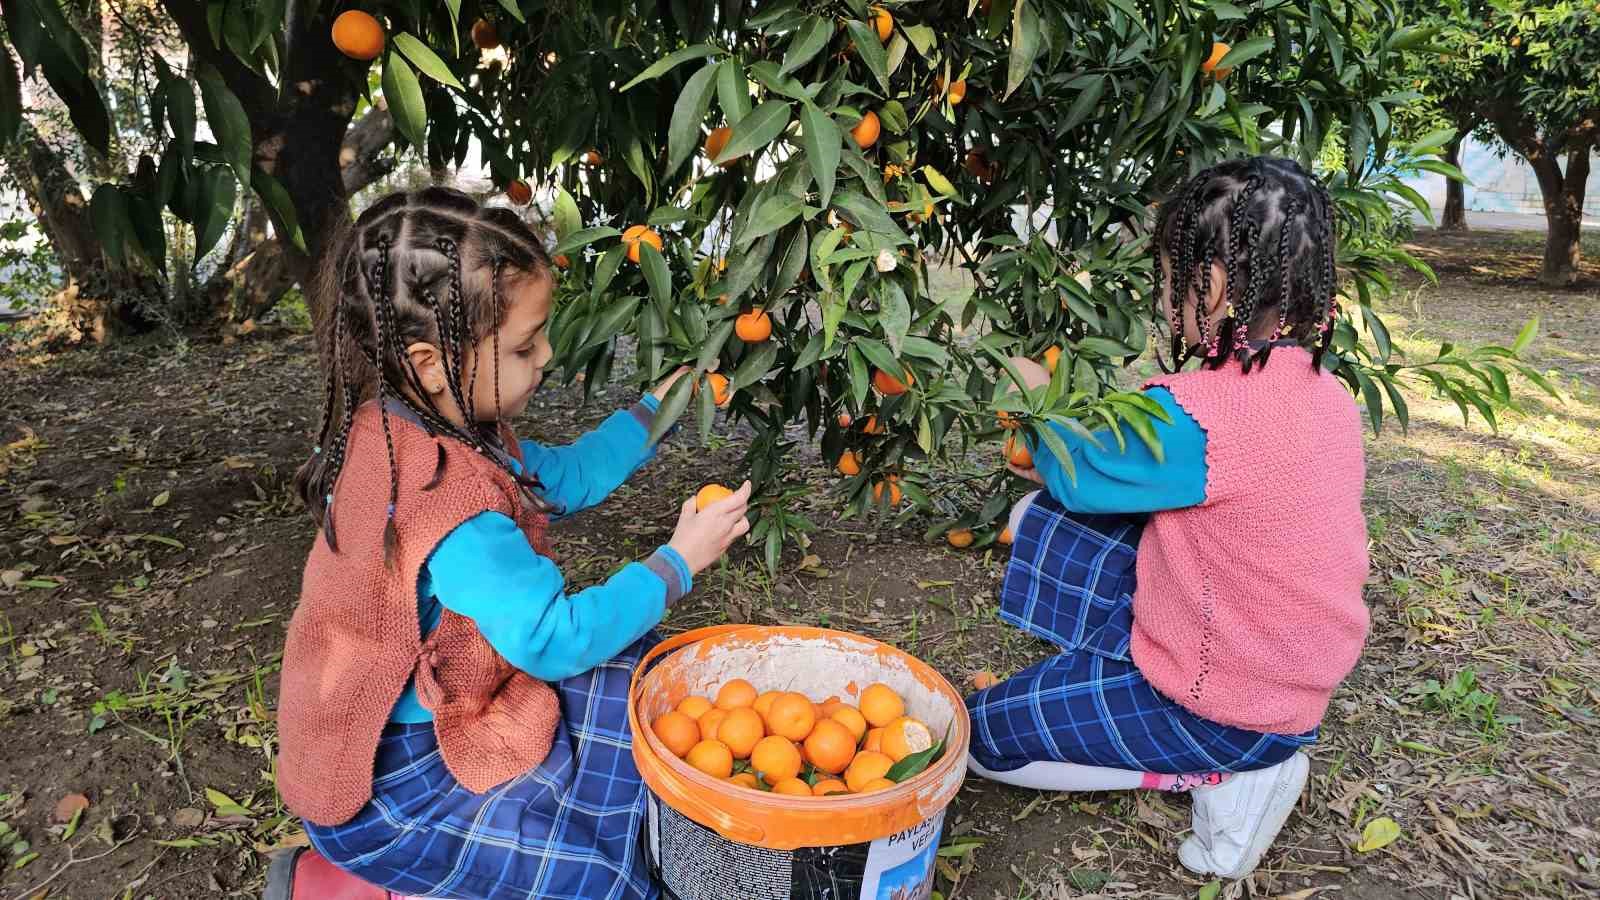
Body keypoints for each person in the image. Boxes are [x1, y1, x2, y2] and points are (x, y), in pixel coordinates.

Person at [268, 187, 750, 899]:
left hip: (386, 728)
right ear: (432, 362)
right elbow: (551, 639)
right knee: (595, 882)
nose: (548, 357)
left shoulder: (410, 426)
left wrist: (659, 409)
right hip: (389, 786)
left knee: (633, 678)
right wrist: (676, 562)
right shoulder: (449, 507)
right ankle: (345, 882)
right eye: (526, 346)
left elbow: (567, 476)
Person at [966, 156, 1370, 880]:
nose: (1163, 299)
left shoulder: (1197, 415)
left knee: (984, 739)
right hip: (1278, 667)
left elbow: (1074, 468)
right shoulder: (1326, 395)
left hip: (1221, 707)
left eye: (1168, 280)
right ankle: (1179, 709)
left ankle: (1217, 775)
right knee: (1041, 519)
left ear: (1209, 286)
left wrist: (1040, 400)